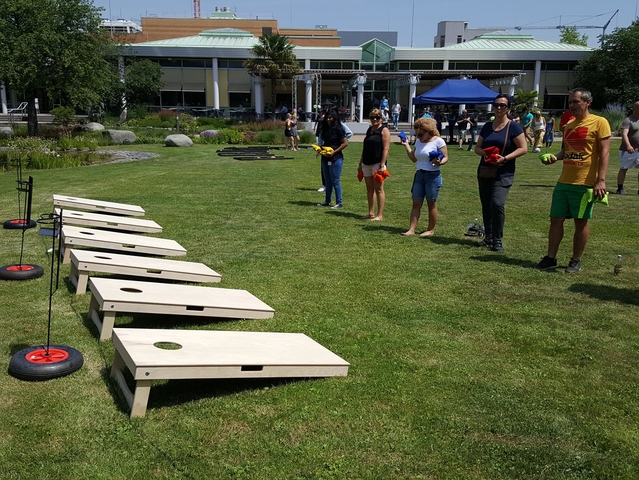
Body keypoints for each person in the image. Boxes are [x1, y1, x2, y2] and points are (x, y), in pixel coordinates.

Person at [536, 88, 611, 273]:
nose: (572, 105)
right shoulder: (569, 124)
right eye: (570, 102)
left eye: (576, 102)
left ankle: (575, 260)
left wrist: (600, 180)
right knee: (555, 220)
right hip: (564, 181)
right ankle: (550, 258)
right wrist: (555, 157)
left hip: (585, 182)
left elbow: (605, 153)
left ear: (587, 102)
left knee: (581, 221)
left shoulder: (599, 122)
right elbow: (567, 150)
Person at [474, 94, 528, 253]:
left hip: (504, 172)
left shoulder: (513, 127)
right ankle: (489, 236)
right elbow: (478, 147)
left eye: (502, 105)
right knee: (486, 204)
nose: (499, 108)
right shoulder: (487, 126)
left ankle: (497, 239)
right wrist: (484, 153)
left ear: (508, 108)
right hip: (485, 170)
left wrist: (504, 158)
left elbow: (523, 148)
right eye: (496, 105)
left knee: (497, 203)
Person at [400, 117, 449, 237]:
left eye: (421, 134)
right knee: (416, 202)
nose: (419, 136)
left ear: (429, 130)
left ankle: (430, 229)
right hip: (419, 175)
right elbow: (414, 158)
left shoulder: (438, 141)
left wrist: (439, 162)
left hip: (432, 176)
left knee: (431, 203)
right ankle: (411, 229)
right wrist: (406, 145)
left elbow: (446, 158)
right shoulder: (418, 141)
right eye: (417, 134)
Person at [358, 109, 390, 221]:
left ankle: (379, 215)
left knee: (379, 189)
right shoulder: (369, 130)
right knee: (369, 188)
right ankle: (370, 212)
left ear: (381, 118)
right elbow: (365, 148)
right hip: (366, 163)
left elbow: (386, 149)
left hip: (377, 163)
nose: (375, 119)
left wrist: (382, 164)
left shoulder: (384, 130)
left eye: (377, 117)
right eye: (372, 117)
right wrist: (360, 162)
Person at [317, 111, 348, 209]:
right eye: (327, 118)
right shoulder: (325, 129)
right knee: (327, 181)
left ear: (334, 118)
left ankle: (339, 202)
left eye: (330, 118)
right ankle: (327, 201)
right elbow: (324, 142)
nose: (328, 119)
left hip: (336, 158)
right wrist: (319, 149)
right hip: (325, 157)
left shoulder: (339, 128)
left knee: (335, 181)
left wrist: (334, 152)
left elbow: (345, 143)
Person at [615, 101, 639, 195]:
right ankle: (620, 188)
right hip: (628, 151)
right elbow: (624, 134)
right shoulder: (628, 120)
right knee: (624, 168)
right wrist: (628, 145)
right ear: (635, 108)